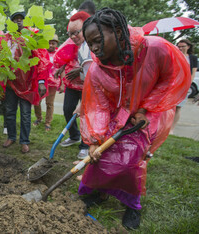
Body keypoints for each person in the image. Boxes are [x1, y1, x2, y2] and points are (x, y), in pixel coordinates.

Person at [79, 8, 190, 230]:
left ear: (119, 32)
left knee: (130, 159)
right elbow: (97, 106)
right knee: (100, 156)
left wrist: (146, 109)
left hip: (150, 113)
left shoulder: (155, 48)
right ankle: (96, 192)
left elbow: (171, 78)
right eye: (90, 43)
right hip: (115, 115)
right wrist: (94, 139)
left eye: (98, 40)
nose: (94, 48)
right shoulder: (98, 69)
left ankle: (132, 205)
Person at [0, 11, 50, 153]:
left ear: (25, 21)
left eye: (21, 19)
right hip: (11, 82)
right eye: (15, 20)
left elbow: (42, 60)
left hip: (27, 84)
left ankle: (24, 141)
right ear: (11, 23)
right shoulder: (6, 39)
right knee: (9, 111)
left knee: (26, 114)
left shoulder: (32, 37)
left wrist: (41, 81)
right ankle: (11, 137)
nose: (18, 21)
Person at [55, 12, 92, 160]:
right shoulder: (71, 43)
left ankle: (85, 145)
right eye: (70, 34)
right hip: (72, 85)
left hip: (87, 87)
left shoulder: (92, 43)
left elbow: (95, 66)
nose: (73, 37)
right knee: (68, 110)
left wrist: (80, 69)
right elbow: (65, 56)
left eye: (76, 33)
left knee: (85, 116)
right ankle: (74, 136)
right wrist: (62, 67)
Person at [33, 34, 60, 131]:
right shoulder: (42, 52)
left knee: (49, 103)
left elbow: (61, 67)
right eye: (49, 43)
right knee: (37, 101)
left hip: (52, 82)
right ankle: (38, 118)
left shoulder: (58, 54)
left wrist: (61, 83)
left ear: (56, 44)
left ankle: (48, 122)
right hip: (41, 81)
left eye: (53, 43)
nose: (51, 45)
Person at [170, 39, 198, 133]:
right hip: (173, 84)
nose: (180, 48)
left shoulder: (192, 58)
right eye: (179, 46)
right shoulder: (174, 55)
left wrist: (187, 85)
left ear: (188, 47)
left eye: (183, 46)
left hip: (184, 86)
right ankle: (165, 126)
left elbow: (193, 73)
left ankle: (172, 128)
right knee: (169, 106)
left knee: (178, 107)